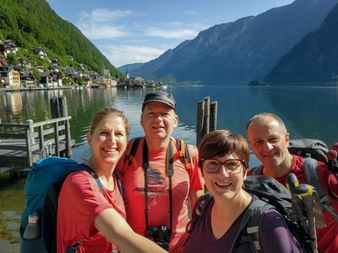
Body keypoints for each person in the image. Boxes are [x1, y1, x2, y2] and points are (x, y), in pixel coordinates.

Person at [57, 107, 166, 253]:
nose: (112, 141)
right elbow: (121, 235)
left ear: (126, 141)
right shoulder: (80, 183)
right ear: (89, 138)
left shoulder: (116, 179)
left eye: (119, 134)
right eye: (104, 133)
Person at [180, 129, 301, 253]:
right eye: (212, 165)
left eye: (232, 164)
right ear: (201, 171)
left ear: (245, 172)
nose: (223, 174)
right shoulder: (202, 206)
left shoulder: (267, 222)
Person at [117, 91, 205, 250]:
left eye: (165, 114)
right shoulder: (127, 152)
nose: (158, 119)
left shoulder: (188, 154)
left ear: (176, 120)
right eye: (151, 113)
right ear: (141, 119)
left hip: (180, 247)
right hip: (134, 247)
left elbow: (197, 199)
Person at [246, 112, 338, 253]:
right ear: (251, 146)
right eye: (259, 142)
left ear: (286, 139)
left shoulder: (319, 173)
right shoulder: (250, 181)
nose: (267, 147)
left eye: (273, 139)